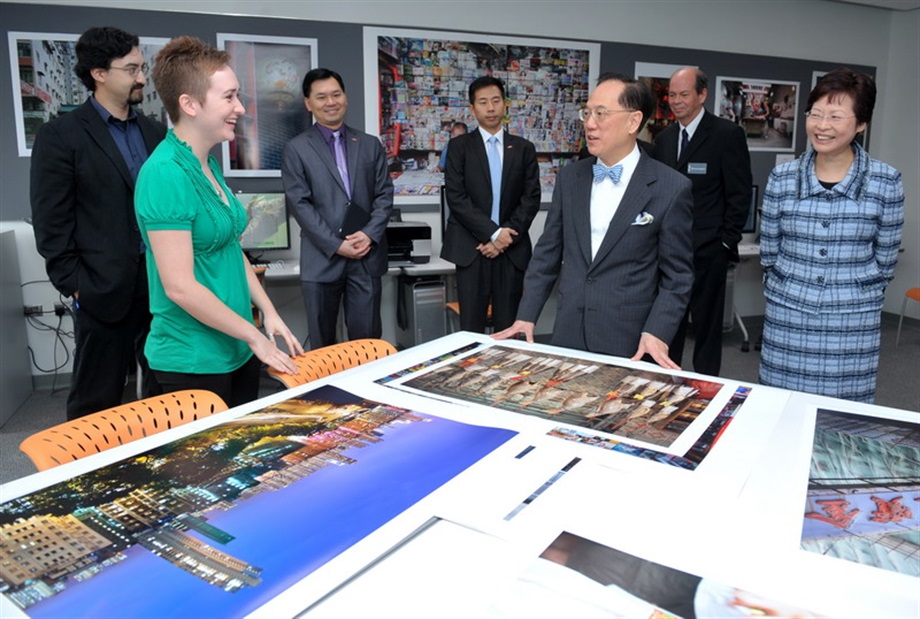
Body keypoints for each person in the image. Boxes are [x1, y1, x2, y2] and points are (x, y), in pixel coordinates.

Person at [135, 36, 302, 407]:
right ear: (189, 104)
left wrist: (268, 314)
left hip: (237, 345)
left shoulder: (206, 163)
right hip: (192, 358)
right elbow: (179, 287)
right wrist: (255, 336)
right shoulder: (165, 173)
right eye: (229, 97)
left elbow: (229, 248)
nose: (240, 108)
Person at [494, 73, 694, 369]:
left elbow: (678, 277)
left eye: (601, 113)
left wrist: (657, 331)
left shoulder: (670, 188)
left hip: (631, 341)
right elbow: (548, 253)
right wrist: (527, 315)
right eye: (587, 112)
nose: (589, 123)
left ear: (633, 121)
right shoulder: (571, 178)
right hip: (569, 334)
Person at [30, 27, 167, 420]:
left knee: (164, 394)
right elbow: (51, 221)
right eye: (131, 69)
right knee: (96, 401)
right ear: (99, 73)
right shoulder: (61, 136)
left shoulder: (156, 133)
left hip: (161, 285)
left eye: (142, 68)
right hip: (102, 289)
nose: (142, 77)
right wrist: (75, 286)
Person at [759, 67, 903, 403]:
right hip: (788, 316)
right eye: (816, 114)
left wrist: (855, 294)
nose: (822, 126)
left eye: (836, 116)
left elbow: (885, 260)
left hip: (852, 323)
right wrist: (788, 287)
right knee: (780, 410)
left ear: (861, 124)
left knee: (843, 419)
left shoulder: (886, 182)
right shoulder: (782, 178)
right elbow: (769, 252)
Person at [281, 68, 394, 349]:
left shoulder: (369, 144)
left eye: (336, 94)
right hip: (322, 260)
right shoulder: (296, 149)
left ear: (345, 97)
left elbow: (384, 195)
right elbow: (299, 203)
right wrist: (335, 244)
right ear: (309, 103)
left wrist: (368, 234)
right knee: (323, 347)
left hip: (365, 257)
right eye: (321, 97)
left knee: (367, 345)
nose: (330, 102)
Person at [653, 67, 753, 376]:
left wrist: (726, 241)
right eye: (672, 95)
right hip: (668, 252)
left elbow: (739, 192)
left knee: (708, 328)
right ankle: (669, 381)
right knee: (670, 323)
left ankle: (707, 389)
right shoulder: (665, 139)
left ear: (702, 95)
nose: (677, 101)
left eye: (684, 94)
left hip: (709, 250)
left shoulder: (726, 134)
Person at [441, 76, 541, 332]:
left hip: (511, 251)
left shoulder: (523, 148)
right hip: (471, 249)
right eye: (483, 102)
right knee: (471, 330)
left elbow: (530, 198)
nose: (491, 108)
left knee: (508, 328)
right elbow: (456, 197)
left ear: (504, 104)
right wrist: (493, 233)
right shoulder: (459, 147)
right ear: (473, 109)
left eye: (496, 101)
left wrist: (504, 238)